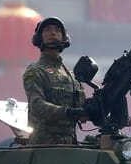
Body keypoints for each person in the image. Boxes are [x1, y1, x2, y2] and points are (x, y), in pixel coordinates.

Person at [23, 17, 87, 145]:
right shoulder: (35, 71)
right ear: (39, 38)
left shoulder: (72, 76)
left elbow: (83, 110)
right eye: (47, 30)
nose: (53, 33)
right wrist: (67, 112)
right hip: (43, 146)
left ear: (64, 37)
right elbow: (37, 105)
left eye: (58, 30)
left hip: (71, 144)